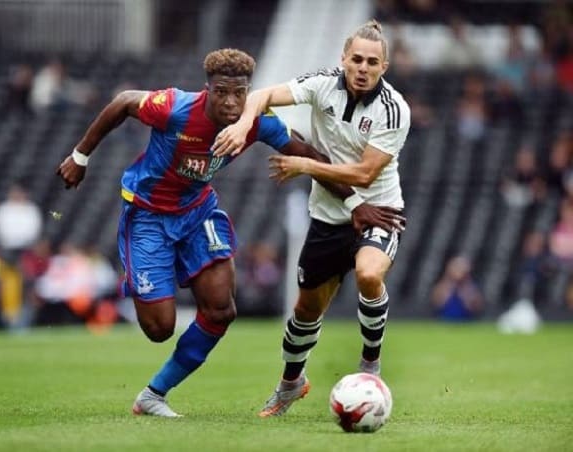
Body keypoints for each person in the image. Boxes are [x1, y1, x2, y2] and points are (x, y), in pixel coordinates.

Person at [56, 48, 405, 418]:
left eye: (239, 93)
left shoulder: (253, 122)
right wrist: (80, 156)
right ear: (208, 88)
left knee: (221, 311)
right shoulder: (174, 108)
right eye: (222, 92)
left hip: (197, 212)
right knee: (160, 329)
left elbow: (307, 153)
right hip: (148, 216)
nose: (231, 101)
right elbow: (124, 101)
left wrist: (355, 204)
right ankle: (154, 273)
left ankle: (152, 396)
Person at [213, 20, 410, 417]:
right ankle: (290, 384)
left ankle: (370, 363)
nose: (362, 67)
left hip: (380, 212)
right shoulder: (322, 84)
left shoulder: (394, 109)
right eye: (356, 59)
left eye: (372, 62)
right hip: (326, 217)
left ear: (384, 67)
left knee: (370, 274)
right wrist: (241, 123)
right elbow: (264, 93)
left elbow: (364, 174)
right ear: (343, 59)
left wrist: (304, 164)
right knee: (305, 312)